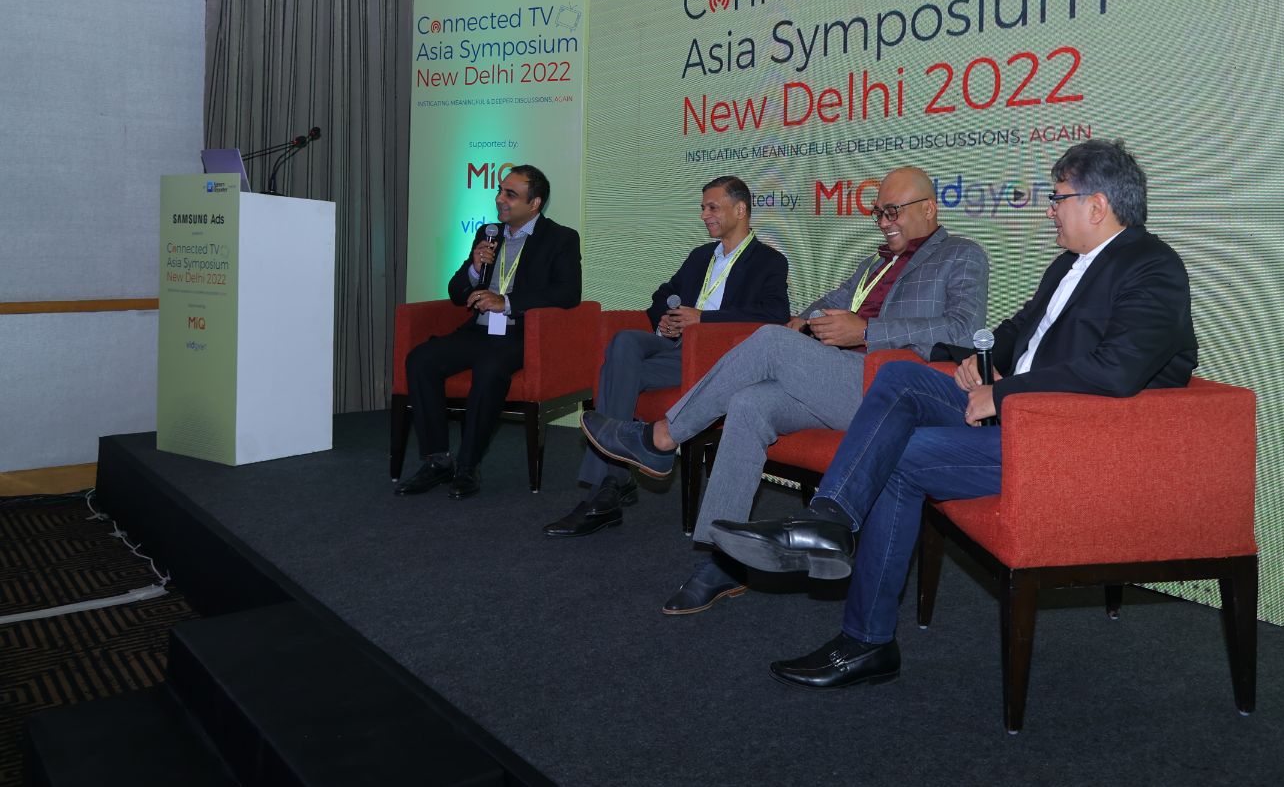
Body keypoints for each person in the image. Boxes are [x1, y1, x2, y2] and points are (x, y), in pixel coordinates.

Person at [711, 139, 1197, 688]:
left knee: (900, 457)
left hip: (1061, 441)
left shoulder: (1153, 267)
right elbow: (1019, 328)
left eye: (1058, 198)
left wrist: (1005, 393)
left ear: (1097, 205)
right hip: (1021, 415)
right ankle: (829, 520)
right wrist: (978, 361)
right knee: (900, 378)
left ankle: (866, 641)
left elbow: (1117, 370)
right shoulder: (1069, 264)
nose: (1050, 210)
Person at [578, 166, 989, 616]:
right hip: (840, 377)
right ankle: (723, 561)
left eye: (893, 211)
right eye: (878, 213)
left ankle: (661, 437)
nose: (884, 222)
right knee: (749, 403)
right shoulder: (876, 262)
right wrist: (803, 319)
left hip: (890, 388)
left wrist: (868, 331)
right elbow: (833, 300)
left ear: (928, 208)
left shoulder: (961, 254)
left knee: (770, 342)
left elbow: (962, 329)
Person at [542, 176, 789, 536]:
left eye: (712, 207)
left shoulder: (769, 260)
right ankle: (612, 482)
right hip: (675, 347)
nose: (704, 215)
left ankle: (606, 489)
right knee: (624, 342)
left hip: (715, 356)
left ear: (740, 210)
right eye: (702, 208)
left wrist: (703, 319)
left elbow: (774, 315)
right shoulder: (701, 256)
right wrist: (667, 322)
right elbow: (663, 294)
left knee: (617, 374)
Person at [397, 164, 581, 499]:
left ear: (534, 203)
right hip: (478, 331)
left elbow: (568, 293)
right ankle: (438, 460)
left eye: (511, 194)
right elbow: (456, 292)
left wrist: (506, 302)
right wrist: (474, 267)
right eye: (499, 191)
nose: (499, 199)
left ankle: (468, 465)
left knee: (490, 367)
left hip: (520, 334)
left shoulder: (560, 238)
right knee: (421, 360)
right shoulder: (488, 233)